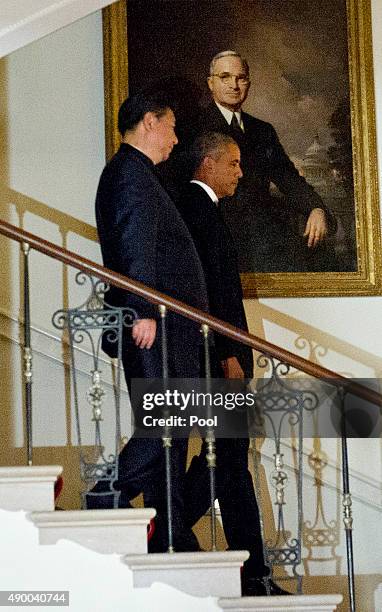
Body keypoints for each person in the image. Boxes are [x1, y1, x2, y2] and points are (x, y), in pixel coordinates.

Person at [92, 87, 209, 552]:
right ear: (149, 122)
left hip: (166, 326)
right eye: (173, 128)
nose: (176, 140)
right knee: (166, 426)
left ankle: (171, 536)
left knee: (174, 435)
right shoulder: (129, 175)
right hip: (152, 325)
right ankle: (107, 493)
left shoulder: (138, 174)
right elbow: (134, 243)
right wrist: (142, 310)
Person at [177, 131, 289, 596]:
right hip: (219, 357)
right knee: (230, 462)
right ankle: (252, 572)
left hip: (220, 355)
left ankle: (169, 527)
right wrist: (228, 353)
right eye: (234, 163)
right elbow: (212, 291)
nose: (241, 173)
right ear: (208, 163)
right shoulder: (197, 207)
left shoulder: (202, 208)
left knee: (226, 460)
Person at [168, 50, 336, 273]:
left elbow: (287, 177)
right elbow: (177, 186)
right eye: (225, 77)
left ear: (248, 83)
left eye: (241, 78)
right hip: (212, 234)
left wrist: (315, 207)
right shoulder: (191, 127)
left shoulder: (263, 130)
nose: (234, 85)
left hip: (261, 237)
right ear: (210, 83)